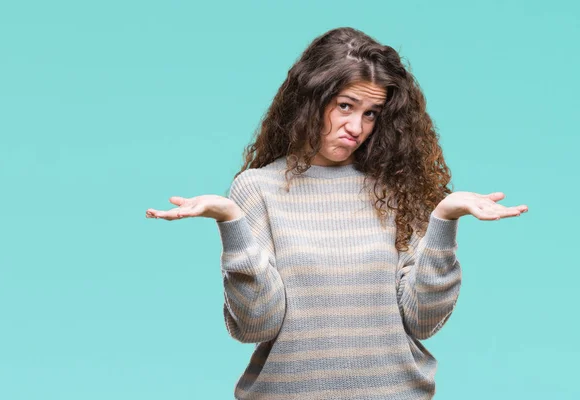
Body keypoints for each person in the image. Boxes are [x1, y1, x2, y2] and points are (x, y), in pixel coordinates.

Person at [146, 27, 528, 400]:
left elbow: (422, 321)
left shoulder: (393, 187)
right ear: (310, 100)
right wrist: (231, 222)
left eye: (371, 113)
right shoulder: (257, 188)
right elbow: (256, 324)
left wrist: (444, 221)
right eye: (345, 106)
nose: (356, 127)